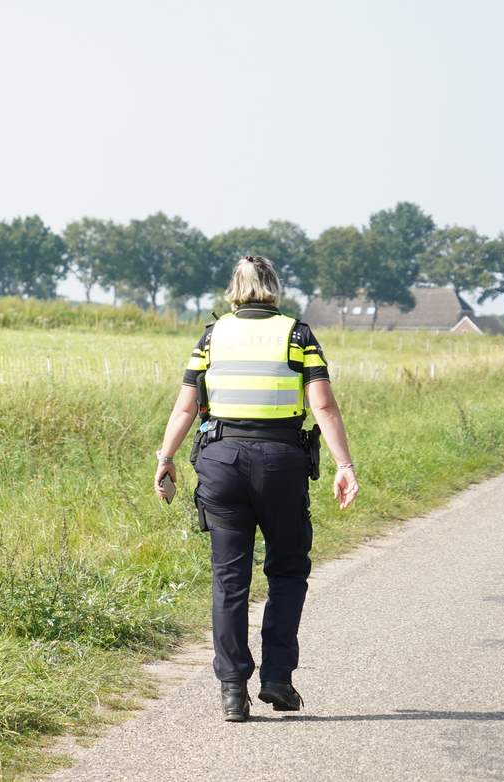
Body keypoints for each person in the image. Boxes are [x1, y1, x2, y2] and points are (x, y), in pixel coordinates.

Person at [152, 255, 360, 722]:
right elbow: (322, 406)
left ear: (235, 288)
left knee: (230, 579)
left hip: (221, 463)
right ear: (274, 287)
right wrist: (344, 465)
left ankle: (231, 690)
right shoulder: (298, 334)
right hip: (281, 463)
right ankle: (277, 679)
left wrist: (165, 459)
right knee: (286, 571)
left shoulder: (212, 336)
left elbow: (186, 407)